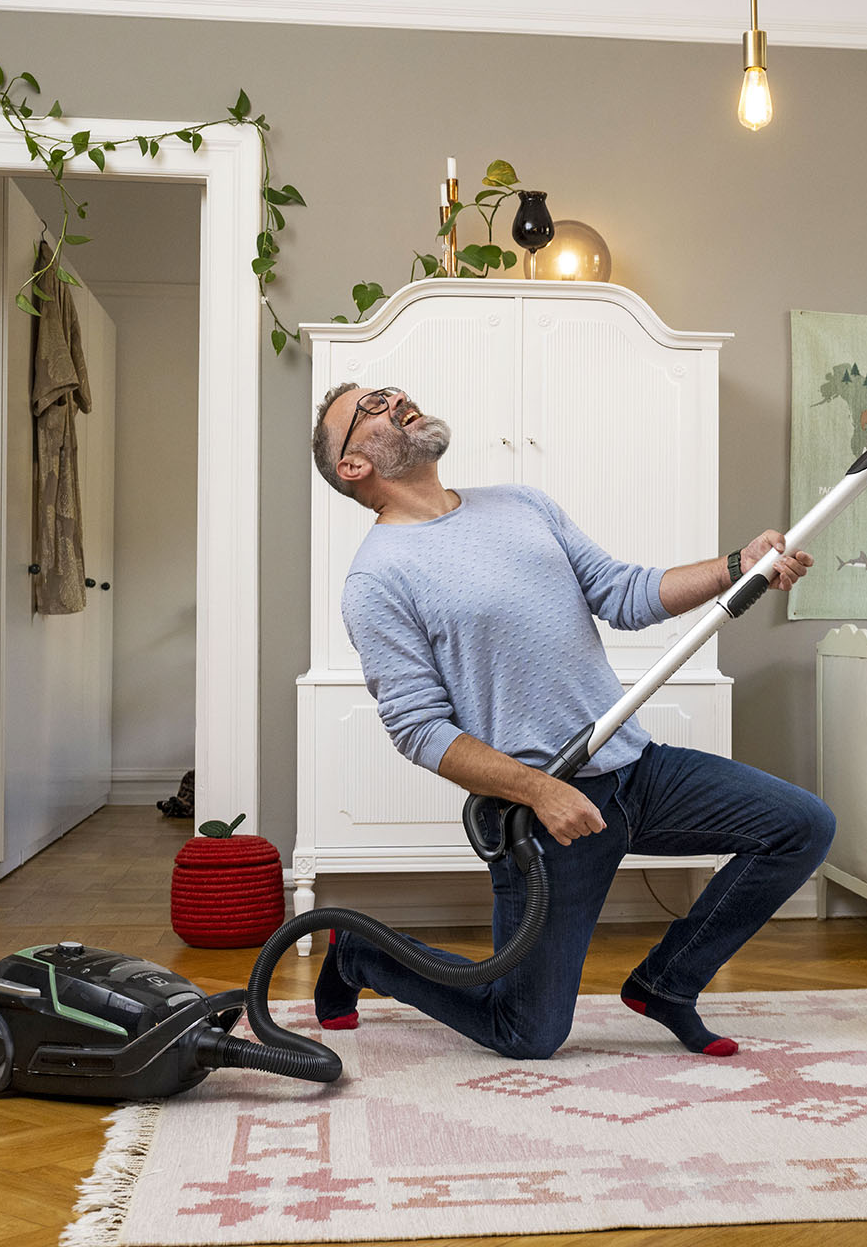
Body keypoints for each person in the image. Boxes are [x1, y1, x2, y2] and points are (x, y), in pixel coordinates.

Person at [307, 382, 834, 1059]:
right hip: (539, 810)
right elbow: (419, 729)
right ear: (354, 466)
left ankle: (667, 984)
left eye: (391, 390)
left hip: (635, 771)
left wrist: (741, 565)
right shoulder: (378, 578)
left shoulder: (521, 504)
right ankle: (360, 954)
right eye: (371, 407)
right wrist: (539, 790)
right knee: (527, 1033)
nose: (395, 398)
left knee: (800, 826)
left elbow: (624, 592)